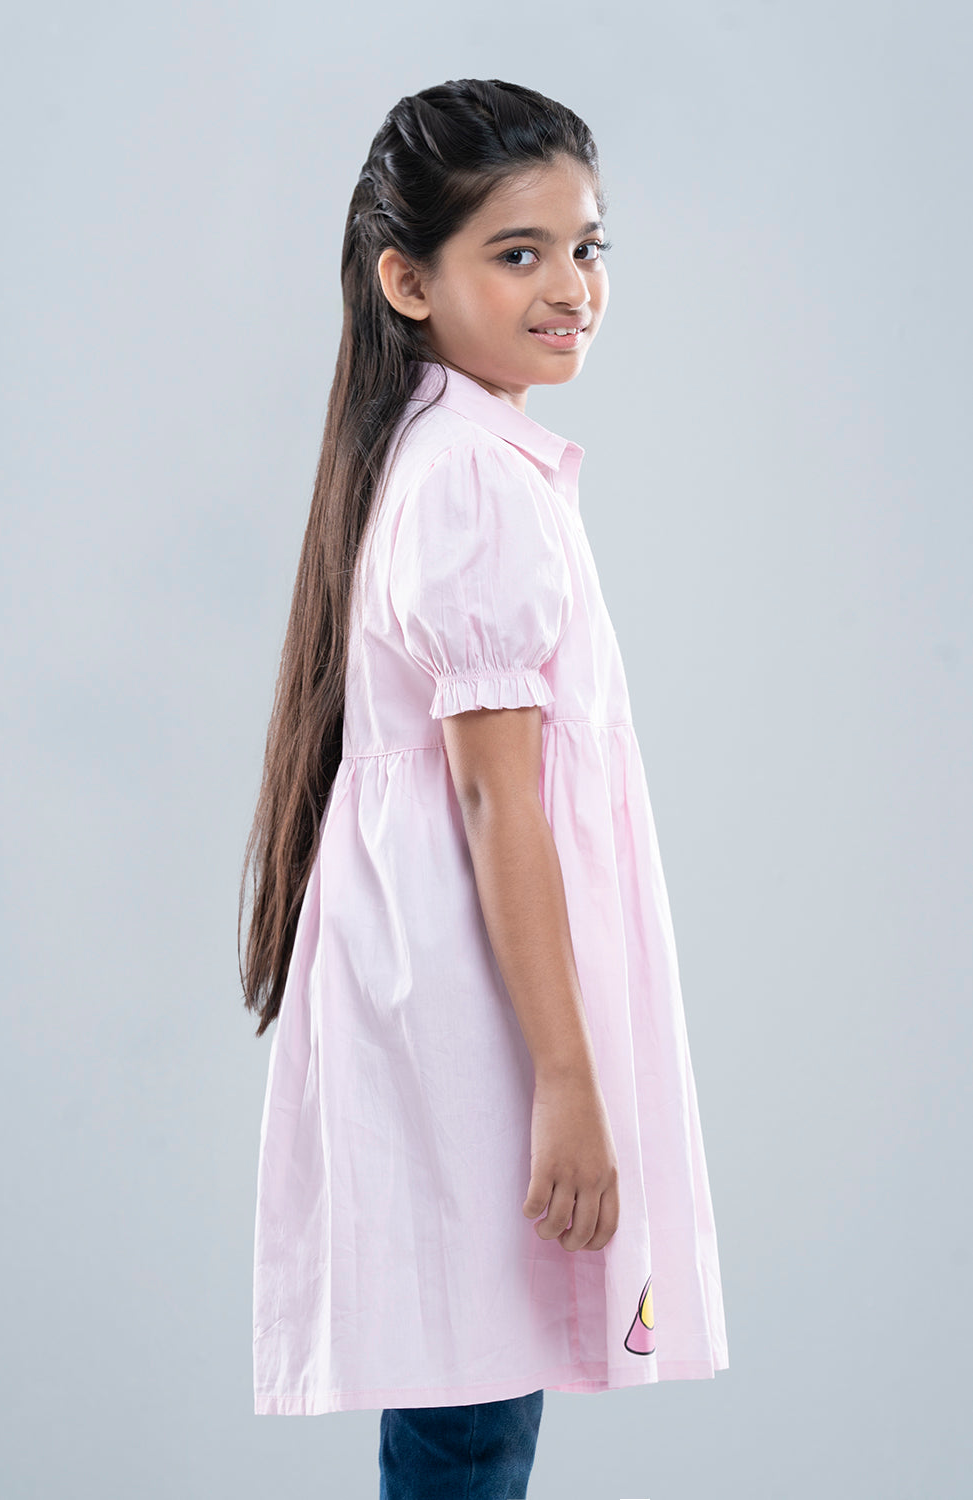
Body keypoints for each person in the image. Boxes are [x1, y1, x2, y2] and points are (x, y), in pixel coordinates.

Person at [240, 77, 729, 1499]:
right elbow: (493, 802)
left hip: (456, 992)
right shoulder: (470, 480)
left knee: (468, 1392)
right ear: (408, 281)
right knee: (472, 1408)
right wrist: (569, 1084)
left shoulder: (456, 453)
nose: (570, 287)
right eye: (519, 253)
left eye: (587, 247)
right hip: (477, 1016)